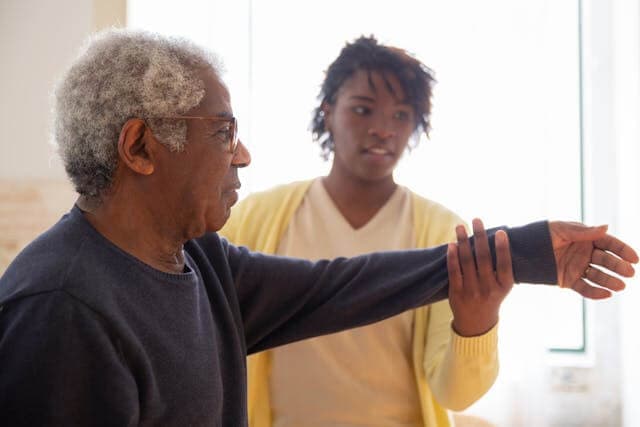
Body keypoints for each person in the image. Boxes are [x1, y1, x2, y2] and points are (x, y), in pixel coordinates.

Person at [0, 30, 636, 427]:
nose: (242, 154)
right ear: (140, 147)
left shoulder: (202, 261)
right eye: (223, 131)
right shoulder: (61, 309)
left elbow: (340, 286)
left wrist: (525, 254)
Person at [219, 36, 633, 427]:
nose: (383, 128)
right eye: (364, 109)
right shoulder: (256, 218)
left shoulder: (442, 231)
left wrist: (476, 322)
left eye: (401, 115)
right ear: (328, 110)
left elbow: (455, 395)